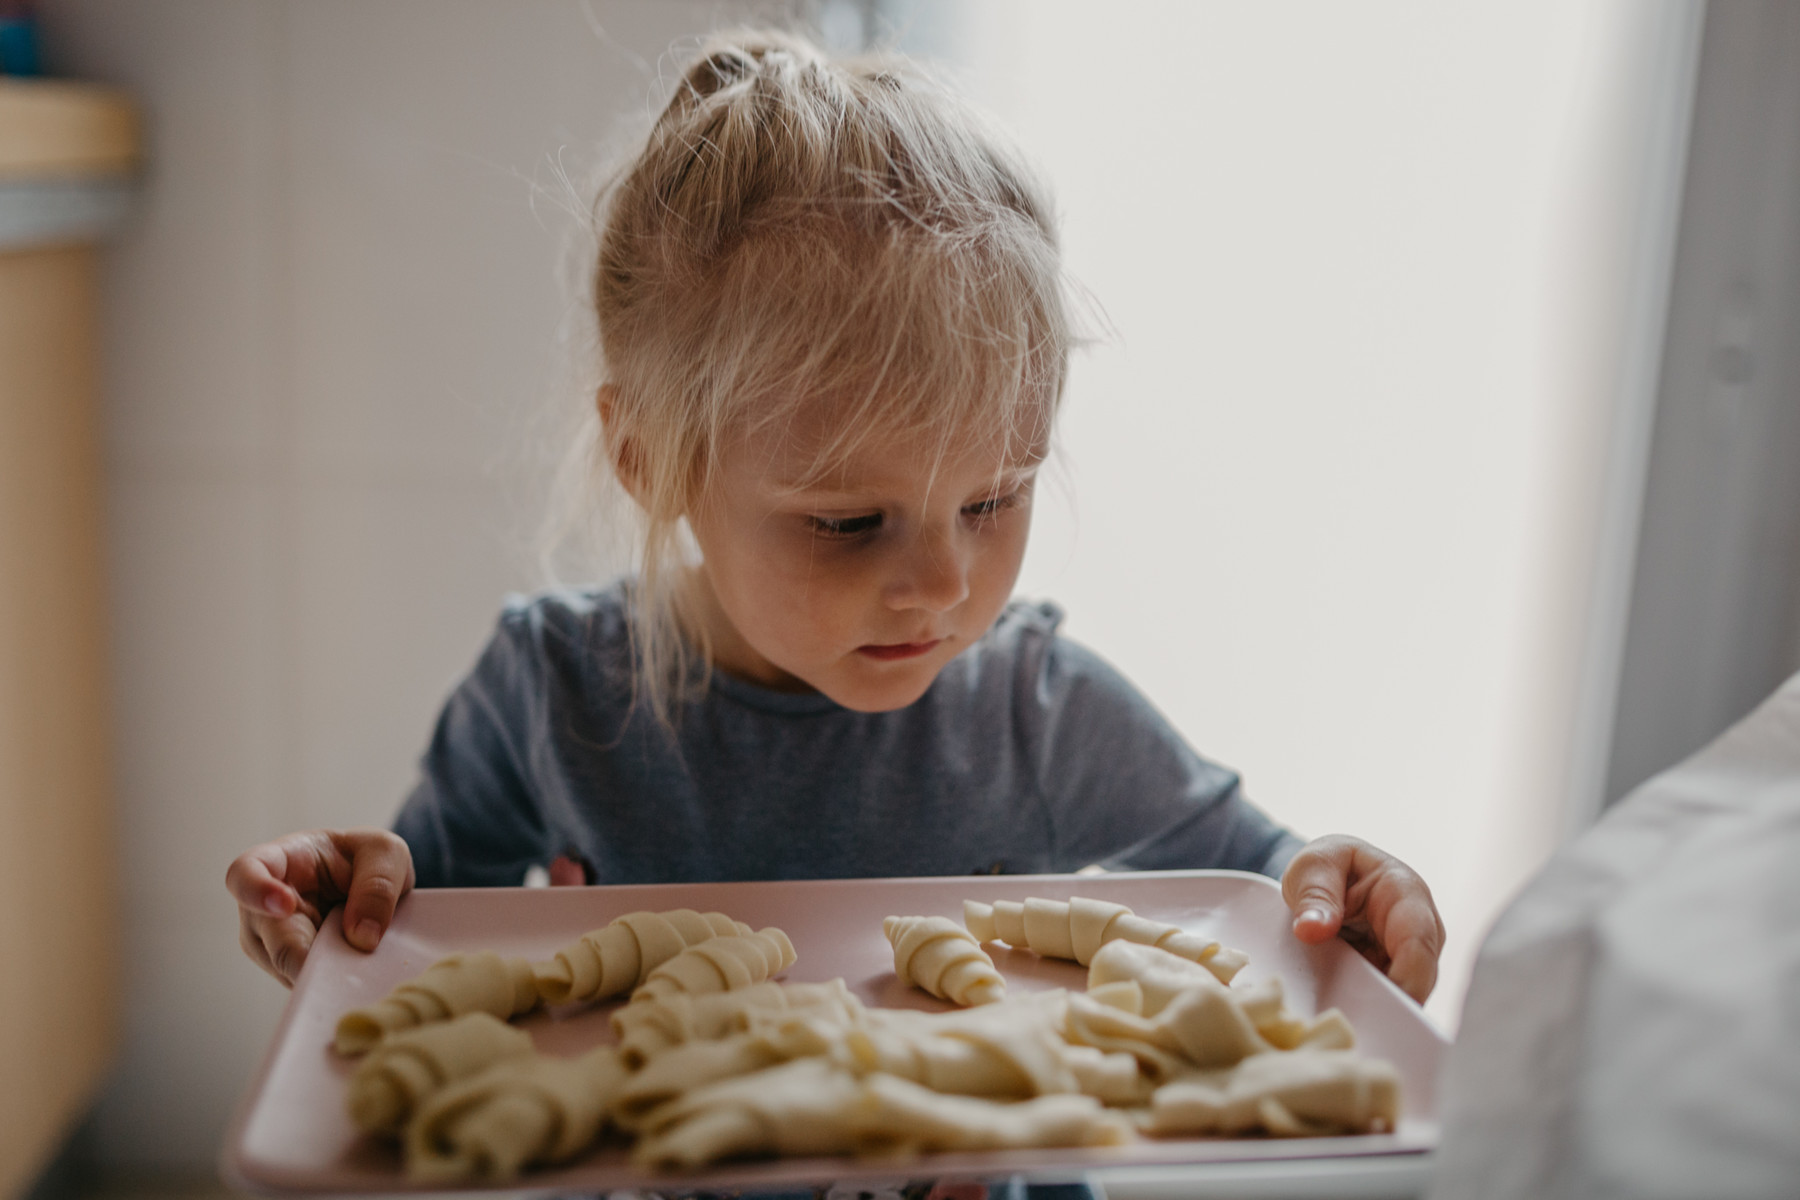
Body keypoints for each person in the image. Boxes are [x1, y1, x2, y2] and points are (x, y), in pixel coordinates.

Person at [226, 29, 1444, 1008]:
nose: (941, 584)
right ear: (651, 458)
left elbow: (1270, 874)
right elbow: (416, 933)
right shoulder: (551, 697)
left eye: (992, 498)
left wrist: (1341, 884)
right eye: (849, 522)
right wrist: (343, 912)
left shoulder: (1037, 715)